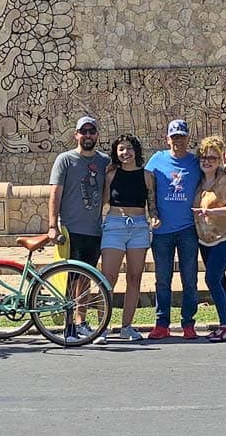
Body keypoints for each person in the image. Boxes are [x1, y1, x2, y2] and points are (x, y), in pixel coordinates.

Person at [47, 114, 110, 338]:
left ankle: (81, 321)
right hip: (71, 230)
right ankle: (68, 326)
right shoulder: (65, 160)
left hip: (94, 230)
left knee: (84, 280)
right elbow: (55, 193)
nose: (88, 135)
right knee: (69, 280)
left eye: (92, 131)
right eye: (84, 132)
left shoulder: (104, 161)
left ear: (97, 135)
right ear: (76, 135)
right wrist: (52, 225)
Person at [144, 118, 203, 339]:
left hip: (188, 229)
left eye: (182, 136)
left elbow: (215, 179)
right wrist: (153, 214)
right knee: (162, 278)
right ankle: (162, 323)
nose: (178, 140)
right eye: (174, 136)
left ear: (188, 138)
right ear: (167, 139)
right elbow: (149, 190)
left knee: (190, 278)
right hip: (162, 231)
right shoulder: (156, 161)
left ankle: (188, 323)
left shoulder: (195, 162)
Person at [99, 132, 155, 341]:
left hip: (139, 226)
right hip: (115, 225)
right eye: (121, 149)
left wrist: (155, 218)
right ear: (116, 152)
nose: (125, 153)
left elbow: (152, 204)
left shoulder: (147, 176)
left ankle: (126, 326)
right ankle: (102, 327)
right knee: (108, 278)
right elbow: (103, 201)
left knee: (134, 277)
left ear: (136, 151)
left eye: (129, 148)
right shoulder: (111, 175)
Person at [193, 134, 226, 342]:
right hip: (206, 238)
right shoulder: (197, 180)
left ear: (219, 160)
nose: (207, 161)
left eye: (212, 158)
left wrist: (213, 213)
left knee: (211, 278)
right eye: (204, 157)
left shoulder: (225, 181)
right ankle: (225, 323)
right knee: (219, 279)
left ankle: (224, 325)